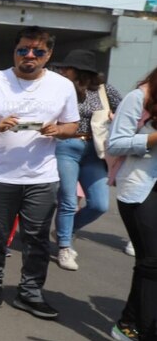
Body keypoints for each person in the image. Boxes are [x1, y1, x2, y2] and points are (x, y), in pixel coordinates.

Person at [0, 26, 78, 320]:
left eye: (38, 51)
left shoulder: (62, 86)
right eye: (23, 50)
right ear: (14, 51)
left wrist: (58, 130)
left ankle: (30, 292)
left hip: (42, 176)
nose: (30, 56)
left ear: (48, 54)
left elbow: (72, 126)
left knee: (37, 238)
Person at [52, 49, 121, 271]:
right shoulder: (60, 89)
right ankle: (64, 247)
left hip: (94, 150)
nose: (62, 71)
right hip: (66, 146)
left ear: (79, 71)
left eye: (66, 68)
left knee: (100, 204)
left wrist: (115, 118)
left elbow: (128, 112)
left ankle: (68, 229)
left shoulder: (104, 90)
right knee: (69, 200)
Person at [106, 68, 157, 341]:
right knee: (152, 262)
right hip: (139, 187)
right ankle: (147, 333)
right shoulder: (139, 97)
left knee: (149, 262)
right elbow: (115, 144)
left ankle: (128, 324)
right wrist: (153, 138)